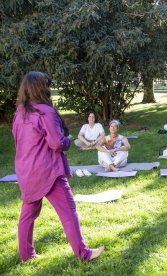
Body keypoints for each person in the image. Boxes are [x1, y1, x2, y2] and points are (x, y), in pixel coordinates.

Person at [12, 71, 103, 262]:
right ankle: (84, 253)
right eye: (47, 85)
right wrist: (67, 141)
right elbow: (57, 143)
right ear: (40, 88)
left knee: (27, 216)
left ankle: (26, 256)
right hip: (49, 171)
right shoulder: (46, 112)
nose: (49, 89)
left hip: (26, 171)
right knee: (68, 212)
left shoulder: (19, 113)